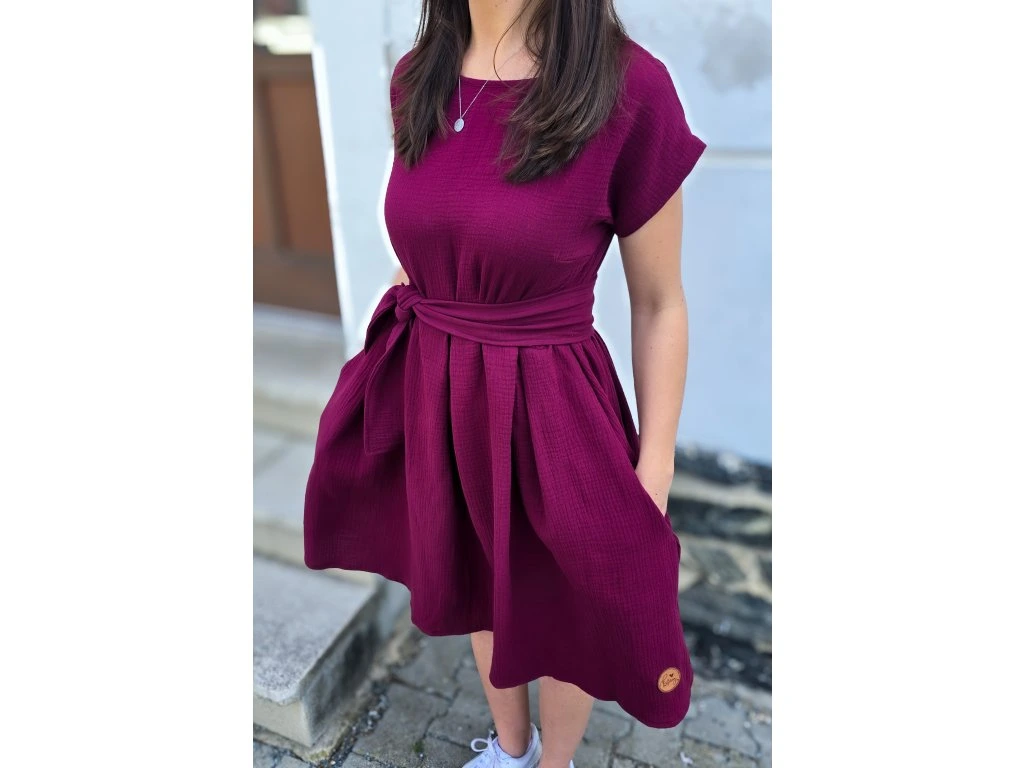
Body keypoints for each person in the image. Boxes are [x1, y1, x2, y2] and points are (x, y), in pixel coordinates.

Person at [304, 1, 706, 766]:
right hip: (441, 387)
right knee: (479, 579)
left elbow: (659, 303)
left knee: (564, 602)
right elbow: (428, 237)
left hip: (552, 405)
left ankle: (554, 763)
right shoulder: (417, 77)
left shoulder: (630, 89)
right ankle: (510, 750)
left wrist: (653, 470)